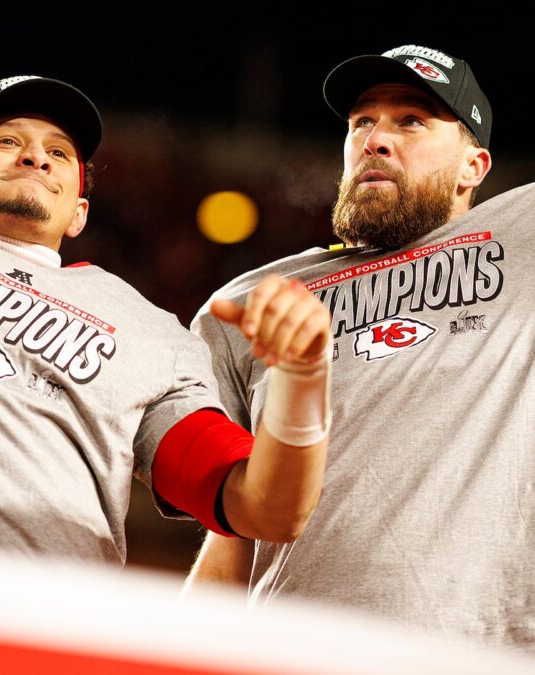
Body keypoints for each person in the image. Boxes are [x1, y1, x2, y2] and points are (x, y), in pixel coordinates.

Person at [0, 75, 333, 564]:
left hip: (34, 605)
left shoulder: (147, 332)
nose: (36, 157)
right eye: (7, 141)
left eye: (59, 153)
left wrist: (300, 383)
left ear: (78, 214)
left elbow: (265, 509)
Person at [185, 44, 535, 654]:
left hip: (480, 652)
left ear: (473, 166)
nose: (375, 140)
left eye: (411, 121)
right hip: (289, 650)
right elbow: (236, 526)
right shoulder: (255, 301)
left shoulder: (524, 236)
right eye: (362, 122)